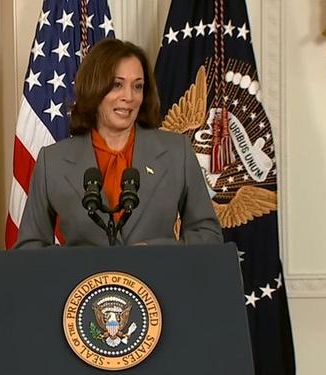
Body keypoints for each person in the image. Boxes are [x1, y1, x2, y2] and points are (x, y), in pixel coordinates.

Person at [15, 38, 222, 248]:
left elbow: (209, 236)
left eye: (138, 86)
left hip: (158, 270)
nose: (129, 97)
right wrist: (78, 260)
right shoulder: (52, 162)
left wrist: (156, 251)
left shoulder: (177, 152)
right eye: (117, 85)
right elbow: (29, 248)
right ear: (94, 87)